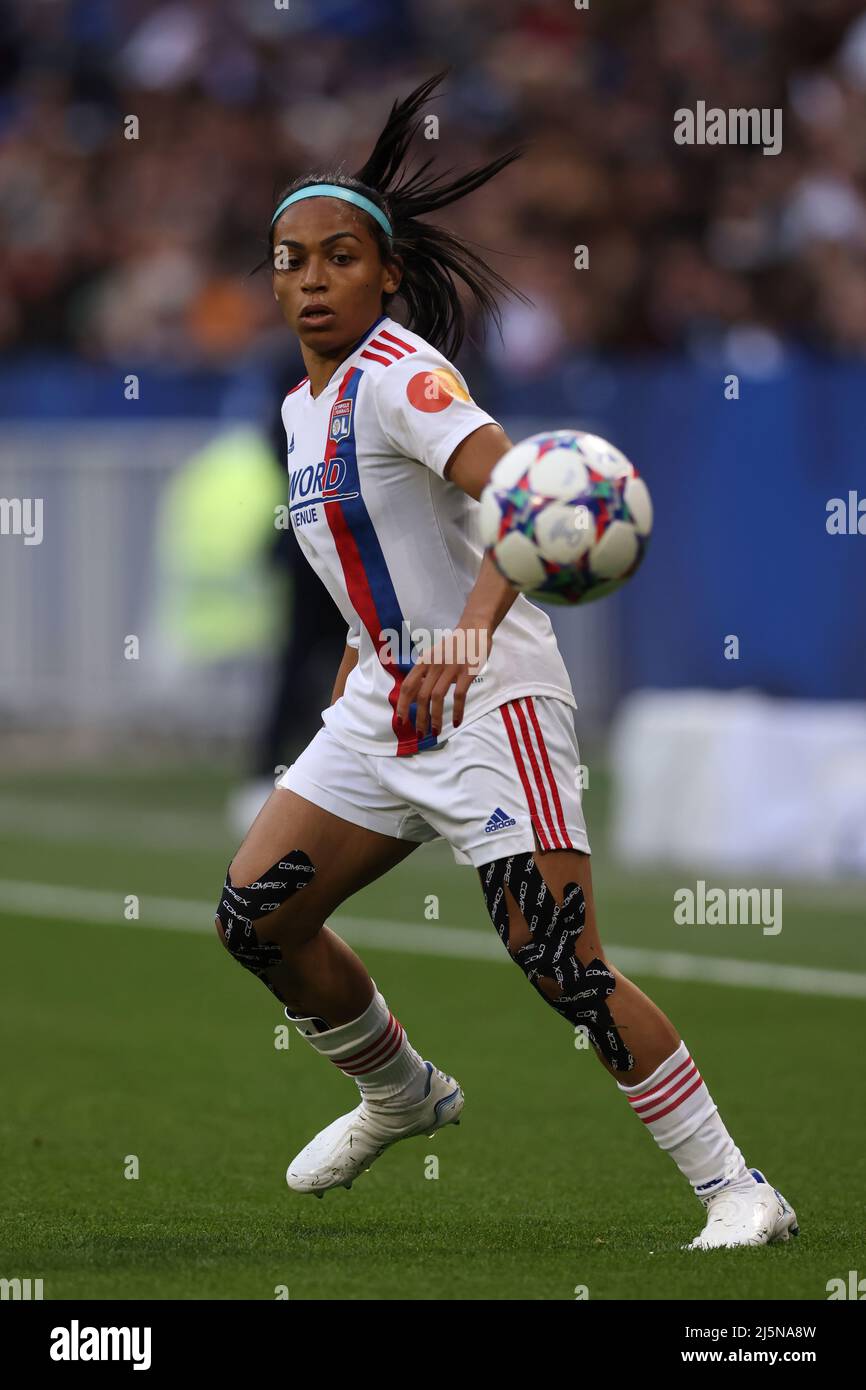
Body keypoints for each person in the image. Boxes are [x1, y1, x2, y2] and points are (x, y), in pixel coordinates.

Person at [214, 73, 797, 1251]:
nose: (312, 279)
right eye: (290, 260)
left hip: (490, 697)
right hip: (386, 699)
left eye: (337, 258)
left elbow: (519, 493)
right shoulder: (297, 408)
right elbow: (374, 557)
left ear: (382, 275)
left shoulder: (399, 377)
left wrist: (469, 631)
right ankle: (400, 1092)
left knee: (557, 959)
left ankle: (737, 1188)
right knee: (253, 915)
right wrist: (356, 669)